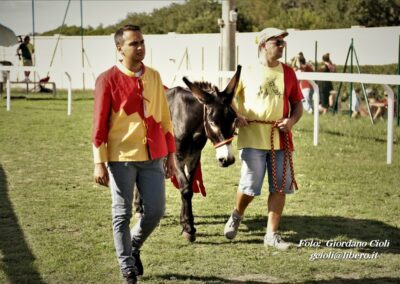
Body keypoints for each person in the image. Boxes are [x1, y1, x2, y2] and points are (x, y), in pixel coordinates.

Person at [92, 24, 176, 284]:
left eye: (142, 42)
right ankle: (127, 267)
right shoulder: (106, 80)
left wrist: (171, 155)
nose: (140, 47)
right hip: (120, 159)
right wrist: (99, 163)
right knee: (121, 214)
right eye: (133, 44)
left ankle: (133, 246)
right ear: (120, 49)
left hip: (153, 156)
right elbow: (99, 126)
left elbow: (164, 119)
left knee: (156, 211)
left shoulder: (154, 76)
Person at [223, 27, 303, 250]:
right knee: (250, 187)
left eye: (282, 42)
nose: (281, 45)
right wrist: (236, 116)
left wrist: (290, 122)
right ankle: (237, 214)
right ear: (263, 45)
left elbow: (298, 105)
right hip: (252, 138)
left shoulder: (288, 73)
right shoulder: (245, 71)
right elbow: (225, 101)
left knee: (279, 187)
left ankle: (272, 234)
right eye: (276, 41)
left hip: (280, 138)